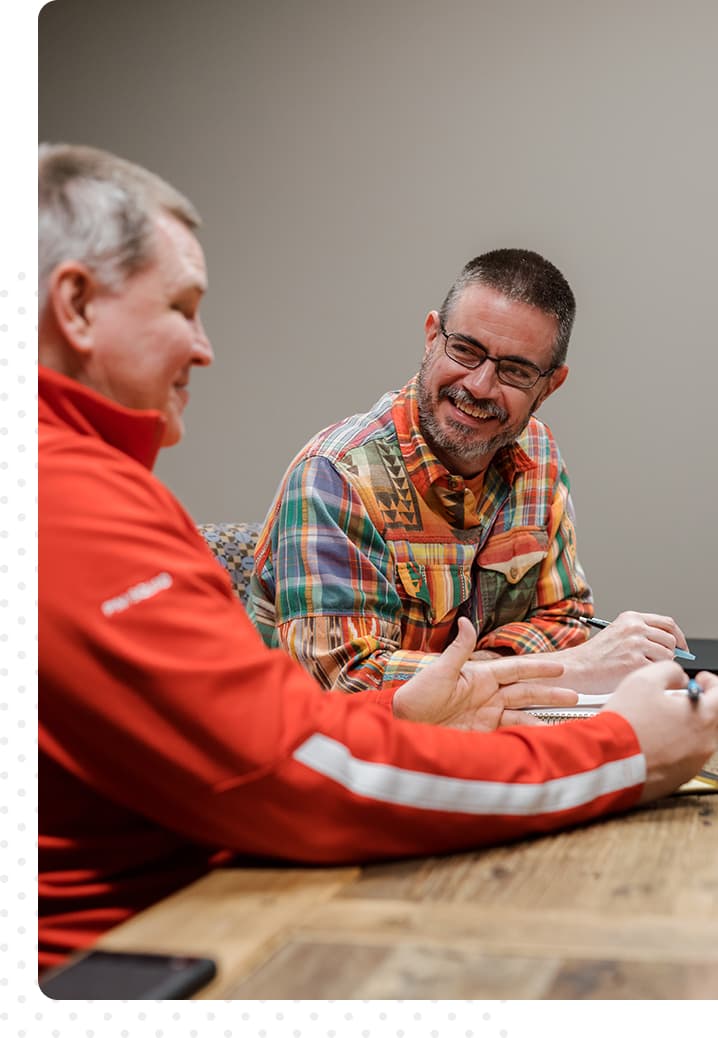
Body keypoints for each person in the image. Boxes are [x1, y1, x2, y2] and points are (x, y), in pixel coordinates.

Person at [38, 144, 718, 974]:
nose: (205, 346)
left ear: (549, 384)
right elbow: (295, 768)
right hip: (148, 954)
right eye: (182, 307)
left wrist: (410, 712)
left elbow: (287, 731)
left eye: (512, 370)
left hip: (213, 897)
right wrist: (623, 751)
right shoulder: (73, 503)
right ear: (73, 305)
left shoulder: (102, 484)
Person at [249, 250, 688, 694]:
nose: (479, 386)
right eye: (465, 350)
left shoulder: (538, 454)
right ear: (431, 337)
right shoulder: (337, 477)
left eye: (515, 371)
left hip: (477, 740)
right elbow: (348, 684)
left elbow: (563, 618)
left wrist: (476, 669)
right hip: (325, 755)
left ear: (549, 386)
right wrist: (568, 668)